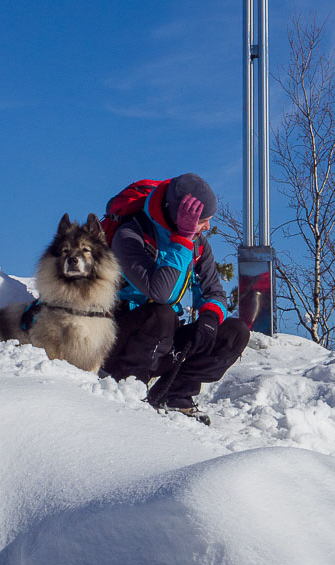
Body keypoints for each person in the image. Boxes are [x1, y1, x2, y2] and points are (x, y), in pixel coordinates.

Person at [104, 173, 249, 418]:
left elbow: (213, 291)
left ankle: (175, 394)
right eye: (203, 220)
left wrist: (210, 320)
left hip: (160, 343)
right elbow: (161, 292)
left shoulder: (198, 243)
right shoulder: (130, 236)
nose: (207, 227)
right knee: (162, 314)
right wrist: (181, 240)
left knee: (235, 333)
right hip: (118, 342)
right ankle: (130, 389)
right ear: (180, 216)